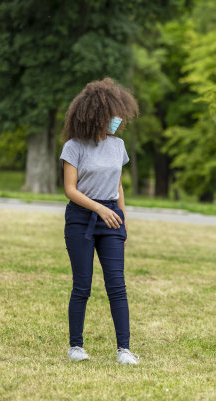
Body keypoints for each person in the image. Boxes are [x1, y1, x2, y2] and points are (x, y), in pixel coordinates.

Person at [60, 78, 140, 364]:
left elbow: (118, 186)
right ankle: (76, 346)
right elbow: (70, 190)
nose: (118, 120)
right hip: (81, 218)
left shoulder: (118, 146)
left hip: (111, 219)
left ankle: (124, 349)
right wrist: (99, 209)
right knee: (82, 285)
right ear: (96, 114)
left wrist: (123, 219)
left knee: (117, 285)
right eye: (113, 114)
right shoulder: (74, 146)